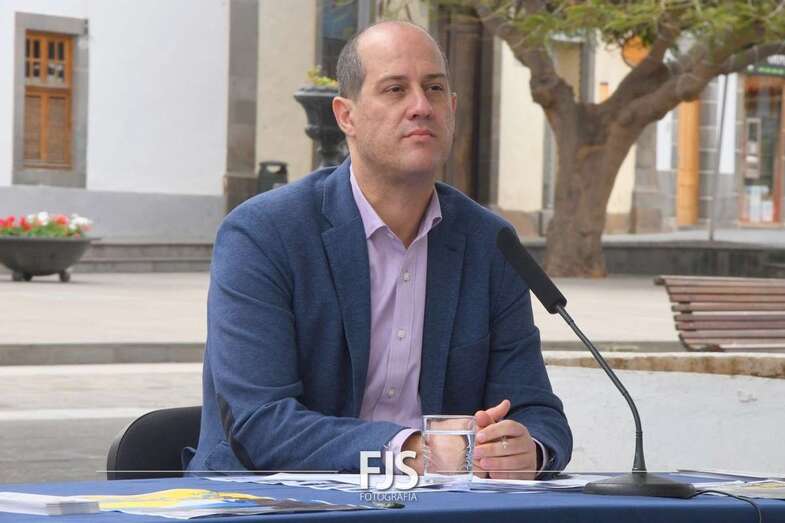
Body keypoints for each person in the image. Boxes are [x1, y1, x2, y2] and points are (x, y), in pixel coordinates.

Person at [186, 20, 571, 480]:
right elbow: (260, 424)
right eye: (395, 89)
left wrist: (525, 448)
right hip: (272, 500)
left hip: (436, 504)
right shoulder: (264, 234)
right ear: (345, 116)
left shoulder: (490, 243)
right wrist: (411, 451)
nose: (420, 106)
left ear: (452, 109)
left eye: (434, 89)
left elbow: (537, 412)